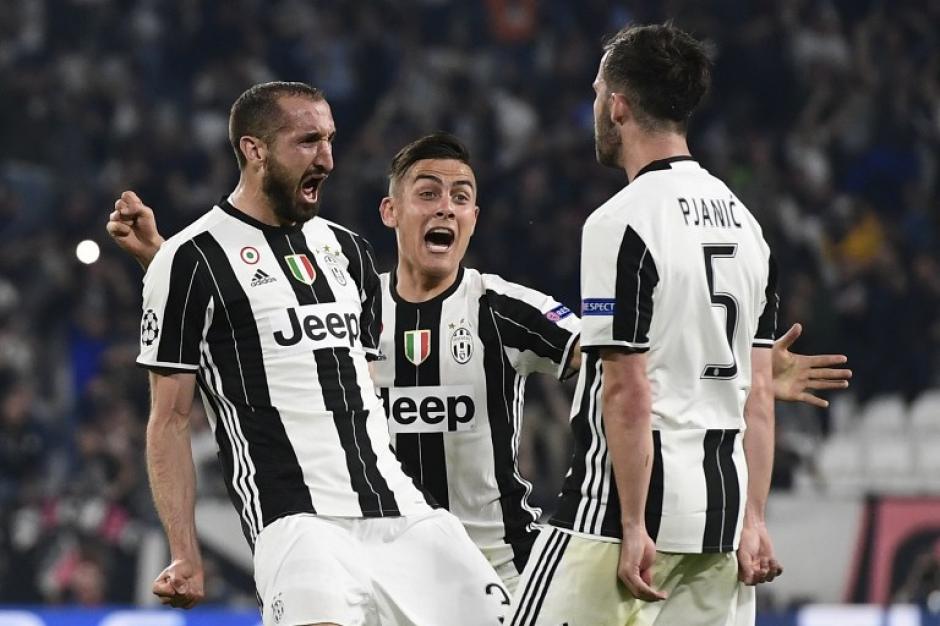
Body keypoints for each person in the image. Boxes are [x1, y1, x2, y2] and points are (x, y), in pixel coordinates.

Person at [111, 129, 850, 603]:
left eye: (461, 196)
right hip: (365, 549)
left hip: (492, 567)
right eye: (427, 192)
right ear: (390, 213)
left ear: (473, 219)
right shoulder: (348, 304)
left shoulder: (503, 308)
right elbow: (250, 320)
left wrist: (726, 366)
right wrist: (163, 257)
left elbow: (616, 360)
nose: (447, 207)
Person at [122, 82, 507, 626]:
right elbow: (170, 420)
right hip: (297, 521)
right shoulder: (191, 260)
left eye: (329, 140)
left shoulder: (348, 250)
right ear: (254, 150)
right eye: (307, 142)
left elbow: (366, 390)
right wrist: (185, 551)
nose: (327, 159)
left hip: (401, 510)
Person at [507, 24, 788, 625]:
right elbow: (759, 394)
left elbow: (627, 386)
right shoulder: (749, 226)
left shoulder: (622, 222)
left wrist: (633, 521)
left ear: (618, 105)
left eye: (596, 91)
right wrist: (755, 517)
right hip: (721, 518)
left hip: (620, 516)